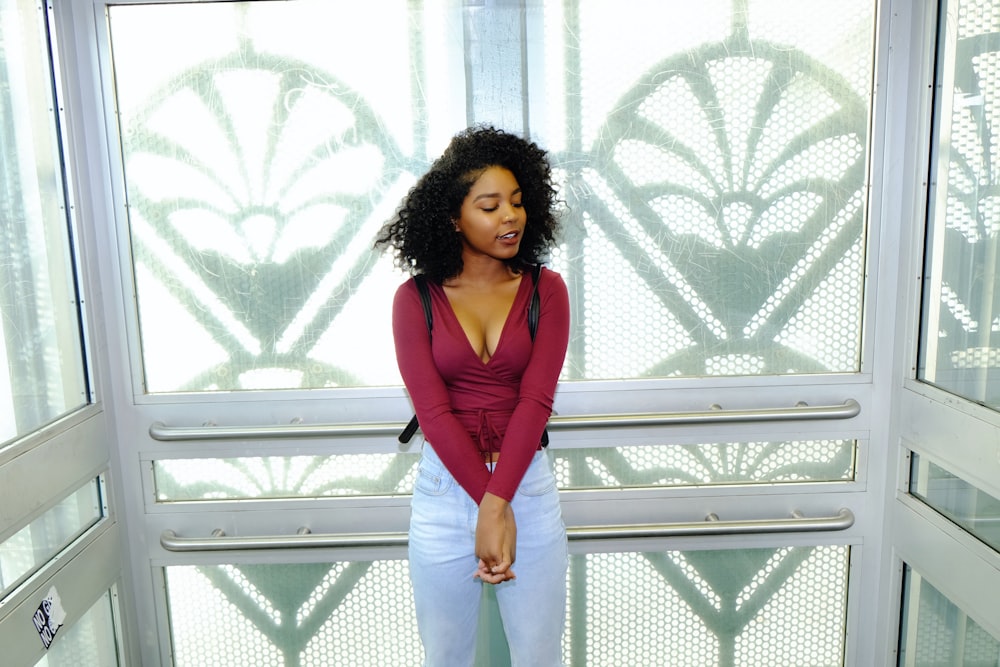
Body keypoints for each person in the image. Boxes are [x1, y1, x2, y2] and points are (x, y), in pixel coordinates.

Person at [375, 125, 570, 666]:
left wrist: (499, 501)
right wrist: (490, 506)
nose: (510, 215)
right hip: (441, 494)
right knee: (446, 658)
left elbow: (535, 401)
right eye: (490, 205)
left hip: (526, 488)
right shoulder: (412, 299)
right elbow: (433, 412)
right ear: (454, 217)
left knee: (538, 657)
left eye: (517, 201)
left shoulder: (545, 291)